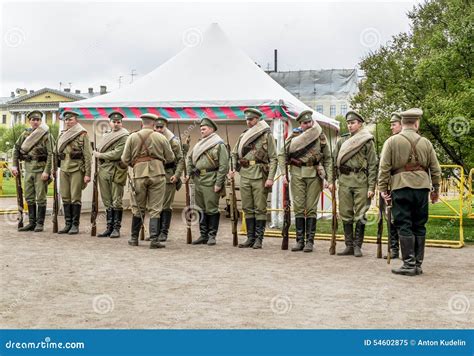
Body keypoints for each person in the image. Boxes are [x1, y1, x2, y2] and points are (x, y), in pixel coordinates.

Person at [378, 108, 441, 276]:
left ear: (403, 123)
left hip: (401, 187)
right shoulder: (426, 142)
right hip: (421, 188)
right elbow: (435, 169)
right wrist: (436, 189)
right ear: (416, 123)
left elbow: (384, 168)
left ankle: (408, 264)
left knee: (403, 224)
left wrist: (383, 189)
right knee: (419, 225)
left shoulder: (392, 142)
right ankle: (418, 265)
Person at [278, 110, 333, 252]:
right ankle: (299, 241)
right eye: (304, 123)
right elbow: (282, 154)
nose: (308, 125)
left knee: (311, 208)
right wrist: (284, 173)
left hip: (314, 174)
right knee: (298, 207)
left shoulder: (319, 135)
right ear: (300, 124)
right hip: (296, 173)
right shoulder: (295, 135)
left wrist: (329, 178)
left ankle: (310, 241)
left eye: (309, 122)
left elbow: (327, 158)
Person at [121, 113, 175, 248]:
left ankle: (134, 238)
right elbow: (170, 157)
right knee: (155, 208)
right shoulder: (161, 137)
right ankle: (154, 240)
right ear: (153, 123)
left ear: (142, 122)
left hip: (139, 174)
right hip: (158, 174)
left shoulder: (132, 137)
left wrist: (136, 163)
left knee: (137, 207)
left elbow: (124, 158)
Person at [229, 108, 277, 249]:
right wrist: (232, 167)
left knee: (260, 208)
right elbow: (233, 153)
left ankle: (259, 239)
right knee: (247, 207)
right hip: (245, 174)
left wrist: (270, 178)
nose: (248, 122)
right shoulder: (243, 135)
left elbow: (274, 158)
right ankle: (250, 237)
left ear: (258, 119)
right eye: (247, 119)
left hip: (260, 174)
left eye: (251, 119)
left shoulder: (266, 135)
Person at [334, 111, 377, 257]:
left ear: (360, 124)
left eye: (353, 123)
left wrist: (372, 187)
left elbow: (372, 164)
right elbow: (335, 163)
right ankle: (349, 245)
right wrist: (332, 181)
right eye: (348, 123)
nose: (350, 125)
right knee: (345, 213)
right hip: (345, 181)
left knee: (361, 214)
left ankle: (358, 246)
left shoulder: (367, 140)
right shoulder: (342, 141)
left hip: (361, 181)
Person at [186, 118, 228, 246]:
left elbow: (223, 166)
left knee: (211, 209)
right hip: (198, 179)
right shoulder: (199, 144)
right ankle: (203, 235)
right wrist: (189, 173)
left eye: (204, 128)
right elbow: (189, 158)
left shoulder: (219, 144)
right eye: (201, 128)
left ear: (211, 129)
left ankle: (212, 236)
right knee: (200, 208)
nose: (201, 130)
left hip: (211, 179)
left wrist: (219, 183)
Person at [11, 111, 53, 232]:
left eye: (38, 120)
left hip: (41, 170)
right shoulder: (25, 134)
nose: (35, 122)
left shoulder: (46, 135)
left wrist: (47, 171)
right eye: (33, 120)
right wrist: (14, 166)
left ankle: (40, 223)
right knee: (29, 197)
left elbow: (51, 154)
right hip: (28, 169)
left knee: (40, 197)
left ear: (41, 121)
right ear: (29, 121)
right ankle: (31, 223)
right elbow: (16, 149)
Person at [56, 110, 92, 235]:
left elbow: (88, 155)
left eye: (70, 119)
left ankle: (75, 225)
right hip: (64, 168)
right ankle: (67, 224)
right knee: (65, 197)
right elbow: (56, 153)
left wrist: (88, 173)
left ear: (76, 120)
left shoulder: (82, 134)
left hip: (77, 168)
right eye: (66, 120)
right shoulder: (62, 134)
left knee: (75, 197)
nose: (68, 122)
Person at [94, 111, 129, 238]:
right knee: (107, 200)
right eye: (113, 122)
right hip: (104, 169)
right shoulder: (106, 136)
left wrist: (100, 155)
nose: (116, 124)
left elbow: (117, 153)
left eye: (118, 122)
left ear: (121, 123)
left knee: (116, 200)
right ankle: (109, 227)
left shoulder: (124, 136)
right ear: (110, 123)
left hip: (116, 170)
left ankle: (116, 228)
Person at [153, 117, 184, 242]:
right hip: (155, 175)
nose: (159, 129)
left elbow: (181, 159)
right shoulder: (152, 137)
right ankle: (155, 231)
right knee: (155, 205)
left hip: (167, 175)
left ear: (165, 127)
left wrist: (177, 175)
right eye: (157, 127)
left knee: (166, 206)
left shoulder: (172, 141)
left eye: (162, 127)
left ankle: (164, 232)